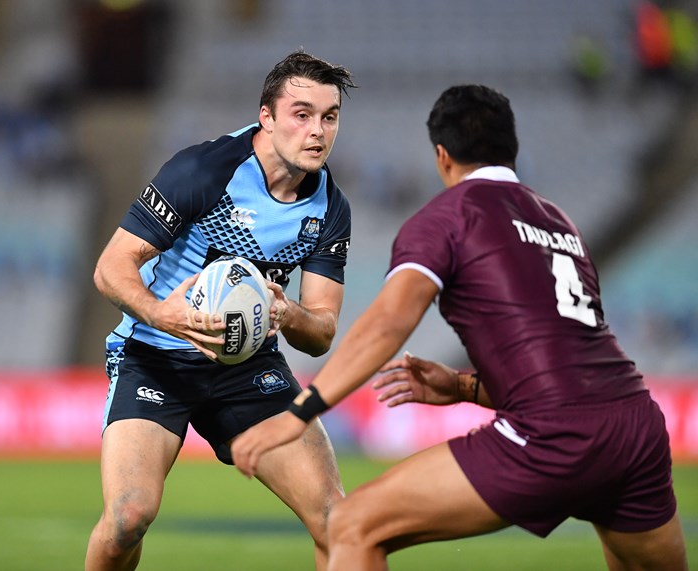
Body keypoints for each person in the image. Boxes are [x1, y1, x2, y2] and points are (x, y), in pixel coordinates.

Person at [231, 84, 688, 570]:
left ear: (442, 156)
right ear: (511, 150)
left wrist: (300, 411)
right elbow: (568, 367)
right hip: (635, 426)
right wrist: (463, 387)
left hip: (553, 434)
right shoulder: (561, 225)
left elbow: (387, 325)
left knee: (350, 525)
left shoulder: (447, 218)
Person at [85, 50, 356, 571]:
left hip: (248, 368)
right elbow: (111, 267)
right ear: (267, 117)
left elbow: (321, 330)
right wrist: (162, 315)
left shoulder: (329, 208)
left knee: (338, 521)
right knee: (127, 518)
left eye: (329, 117)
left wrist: (287, 313)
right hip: (157, 357)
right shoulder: (205, 171)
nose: (317, 131)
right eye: (301, 114)